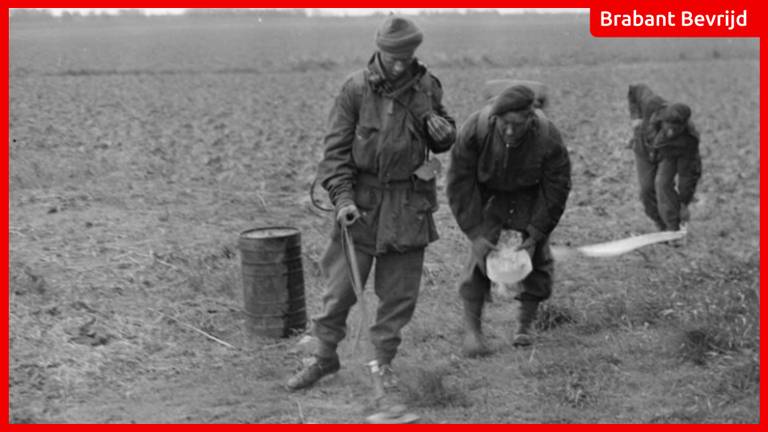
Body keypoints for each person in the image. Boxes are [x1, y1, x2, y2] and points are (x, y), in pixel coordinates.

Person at [285, 14, 456, 420]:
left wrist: (444, 132)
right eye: (392, 57)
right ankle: (324, 356)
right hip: (360, 206)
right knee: (341, 289)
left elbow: (444, 134)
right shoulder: (355, 90)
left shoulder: (427, 86)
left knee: (398, 297)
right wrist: (343, 198)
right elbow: (335, 156)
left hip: (409, 206)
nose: (399, 64)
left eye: (407, 57)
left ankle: (382, 363)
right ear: (379, 50)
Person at [446, 84, 571, 357]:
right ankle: (473, 333)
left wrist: (536, 233)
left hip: (530, 196)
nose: (510, 131)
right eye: (504, 124)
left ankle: (525, 326)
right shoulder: (475, 130)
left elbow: (556, 188)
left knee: (535, 258)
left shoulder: (548, 137)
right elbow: (459, 183)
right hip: (489, 197)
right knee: (480, 259)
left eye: (517, 124)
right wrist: (475, 232)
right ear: (494, 119)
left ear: (530, 118)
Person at [627, 84, 702, 232]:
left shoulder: (689, 139)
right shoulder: (652, 105)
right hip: (644, 150)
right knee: (646, 190)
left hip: (668, 156)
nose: (670, 132)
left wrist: (684, 204)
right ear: (662, 119)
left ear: (683, 125)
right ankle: (660, 225)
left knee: (663, 185)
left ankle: (673, 228)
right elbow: (634, 89)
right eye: (667, 127)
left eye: (675, 129)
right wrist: (636, 119)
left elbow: (687, 175)